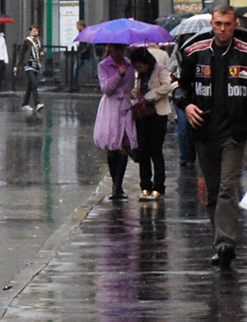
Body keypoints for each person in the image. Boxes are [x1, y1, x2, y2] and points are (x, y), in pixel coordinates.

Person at [175, 5, 247, 267]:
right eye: (218, 24)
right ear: (212, 24)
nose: (222, 29)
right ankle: (218, 240)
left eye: (227, 24)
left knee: (227, 187)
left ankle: (225, 243)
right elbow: (180, 87)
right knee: (212, 191)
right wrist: (186, 105)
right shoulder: (194, 52)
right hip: (204, 130)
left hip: (234, 132)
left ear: (236, 25)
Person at [94, 43, 138, 201]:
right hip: (111, 107)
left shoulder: (130, 64)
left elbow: (131, 85)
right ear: (110, 48)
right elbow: (106, 89)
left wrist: (131, 93)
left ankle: (118, 186)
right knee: (112, 146)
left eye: (122, 49)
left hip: (125, 107)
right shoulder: (103, 66)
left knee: (124, 145)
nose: (119, 52)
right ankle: (115, 185)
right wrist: (118, 75)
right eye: (116, 49)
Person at [130, 48, 174, 200]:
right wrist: (134, 93)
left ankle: (158, 187)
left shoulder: (160, 69)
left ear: (146, 63)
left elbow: (168, 86)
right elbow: (138, 90)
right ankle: (145, 186)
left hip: (157, 114)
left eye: (140, 66)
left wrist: (151, 95)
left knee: (155, 150)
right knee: (143, 150)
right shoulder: (140, 75)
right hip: (142, 114)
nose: (138, 69)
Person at [21, 25, 45, 112]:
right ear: (30, 31)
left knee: (30, 85)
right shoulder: (27, 41)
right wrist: (17, 65)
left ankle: (25, 103)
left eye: (37, 31)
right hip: (28, 65)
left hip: (36, 65)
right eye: (34, 31)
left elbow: (39, 50)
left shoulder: (38, 41)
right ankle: (37, 103)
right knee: (34, 83)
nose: (36, 32)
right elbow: (21, 53)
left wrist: (41, 52)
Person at [71, 21, 94, 92]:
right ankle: (75, 85)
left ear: (81, 26)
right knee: (75, 70)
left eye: (78, 26)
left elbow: (88, 45)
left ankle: (98, 81)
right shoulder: (82, 33)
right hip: (82, 56)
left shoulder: (86, 33)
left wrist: (81, 51)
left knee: (91, 71)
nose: (77, 27)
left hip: (86, 56)